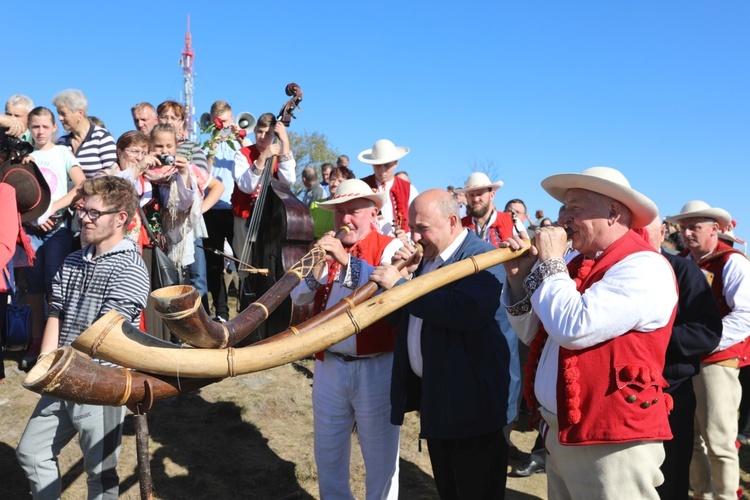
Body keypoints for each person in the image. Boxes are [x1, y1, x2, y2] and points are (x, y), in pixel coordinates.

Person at [502, 166, 678, 499]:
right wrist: (517, 277)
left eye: (575, 208)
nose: (563, 218)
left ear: (613, 213)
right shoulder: (574, 265)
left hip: (612, 444)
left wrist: (551, 261)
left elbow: (573, 328)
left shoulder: (644, 266)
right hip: (562, 433)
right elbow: (533, 332)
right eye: (563, 208)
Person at [370, 189, 517, 499]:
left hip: (476, 412)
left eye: (423, 227)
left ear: (452, 221)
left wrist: (399, 288)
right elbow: (402, 319)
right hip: (440, 404)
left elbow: (462, 312)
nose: (415, 235)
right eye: (412, 227)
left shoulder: (483, 258)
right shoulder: (429, 260)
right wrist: (399, 277)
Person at [16, 176, 149, 499]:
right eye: (82, 211)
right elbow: (55, 313)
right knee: (31, 453)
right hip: (61, 376)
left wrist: (66, 369)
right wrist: (46, 367)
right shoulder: (74, 259)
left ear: (121, 218)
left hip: (100, 383)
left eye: (93, 213)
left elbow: (104, 335)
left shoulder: (131, 268)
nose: (84, 218)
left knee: (100, 476)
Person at [290, 179, 403, 500]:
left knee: (380, 456)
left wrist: (344, 260)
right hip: (328, 367)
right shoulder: (325, 249)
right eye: (340, 213)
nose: (346, 220)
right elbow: (298, 298)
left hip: (376, 368)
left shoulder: (391, 246)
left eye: (354, 212)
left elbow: (384, 287)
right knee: (328, 452)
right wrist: (315, 263)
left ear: (374, 213)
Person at [664, 201, 750, 500]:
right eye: (684, 227)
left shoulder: (733, 262)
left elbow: (745, 316)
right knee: (691, 438)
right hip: (686, 360)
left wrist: (704, 340)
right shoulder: (682, 261)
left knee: (719, 440)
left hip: (717, 361)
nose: (686, 233)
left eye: (695, 227)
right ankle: (702, 494)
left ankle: (727, 496)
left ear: (715, 229)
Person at [640, 216, 723, 500]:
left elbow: (707, 332)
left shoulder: (684, 271)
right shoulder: (613, 270)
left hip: (670, 392)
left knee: (670, 478)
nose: (637, 237)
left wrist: (650, 338)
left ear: (662, 233)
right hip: (621, 395)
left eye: (644, 230)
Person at [19, 107, 86, 369]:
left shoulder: (62, 152)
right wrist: (34, 217)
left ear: (54, 128)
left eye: (45, 127)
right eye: (35, 127)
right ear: (29, 127)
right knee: (34, 289)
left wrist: (52, 208)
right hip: (31, 231)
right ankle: (37, 343)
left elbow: (81, 185)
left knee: (55, 287)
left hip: (58, 230)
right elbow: (17, 194)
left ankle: (57, 344)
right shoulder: (25, 156)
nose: (40, 132)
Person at [231, 112, 296, 261]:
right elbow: (246, 186)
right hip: (245, 216)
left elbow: (288, 180)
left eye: (268, 133)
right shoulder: (242, 154)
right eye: (259, 131)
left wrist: (285, 143)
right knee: (245, 262)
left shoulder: (281, 154)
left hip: (271, 218)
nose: (262, 136)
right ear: (254, 131)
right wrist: (262, 158)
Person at [202, 100, 243, 322]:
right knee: (214, 264)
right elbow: (202, 173)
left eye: (226, 122)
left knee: (241, 260)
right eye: (219, 123)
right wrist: (212, 146)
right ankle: (221, 313)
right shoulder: (206, 142)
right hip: (212, 208)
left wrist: (239, 139)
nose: (223, 127)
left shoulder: (242, 141)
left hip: (234, 208)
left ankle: (246, 309)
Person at [358, 139, 418, 240]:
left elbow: (418, 221)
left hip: (400, 246)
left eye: (386, 165)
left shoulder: (409, 189)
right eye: (378, 166)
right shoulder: (361, 186)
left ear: (395, 163)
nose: (382, 171)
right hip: (368, 243)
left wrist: (406, 237)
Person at [53, 89, 117, 177]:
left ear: (80, 113)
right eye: (59, 114)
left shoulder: (101, 136)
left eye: (63, 114)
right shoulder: (61, 142)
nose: (60, 118)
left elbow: (113, 172)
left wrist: (87, 188)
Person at [456, 172, 526, 246]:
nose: (475, 199)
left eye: (480, 194)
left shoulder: (512, 220)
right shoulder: (459, 226)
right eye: (471, 195)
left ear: (492, 195)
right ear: (466, 197)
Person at [310, 165, 355, 239]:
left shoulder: (348, 209)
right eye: (332, 179)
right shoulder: (315, 204)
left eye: (340, 181)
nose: (335, 184)